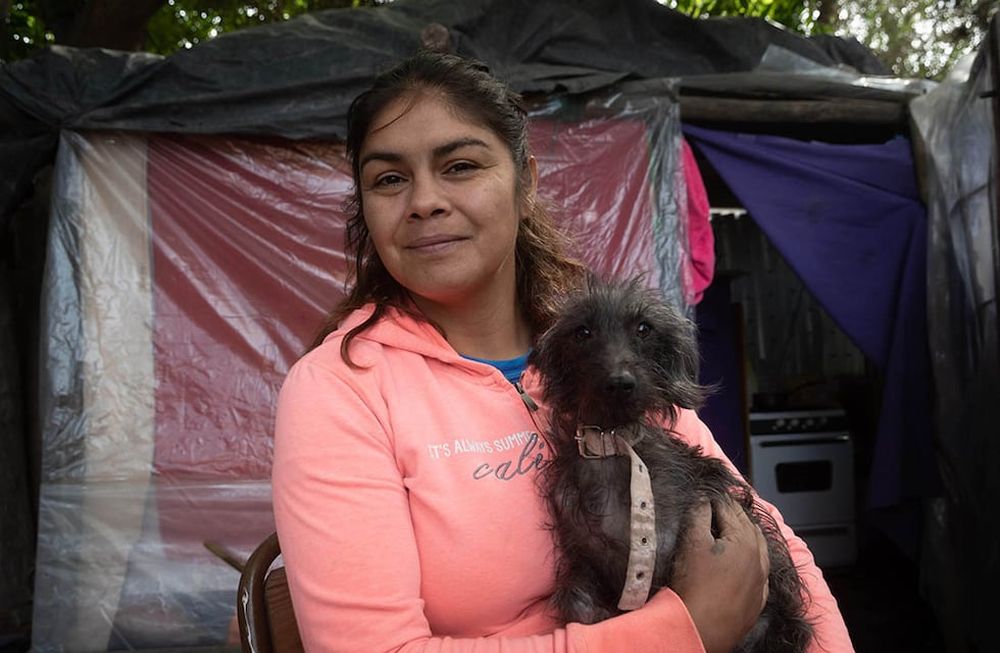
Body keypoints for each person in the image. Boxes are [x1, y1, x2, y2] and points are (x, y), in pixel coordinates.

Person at [272, 51, 854, 653]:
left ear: (526, 182)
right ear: (364, 205)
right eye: (389, 178)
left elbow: (778, 549)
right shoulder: (341, 389)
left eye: (461, 165)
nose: (424, 201)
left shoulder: (597, 352)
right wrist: (684, 630)